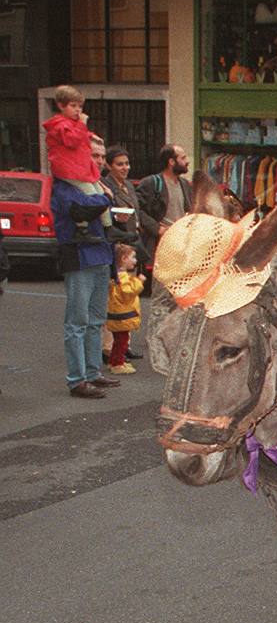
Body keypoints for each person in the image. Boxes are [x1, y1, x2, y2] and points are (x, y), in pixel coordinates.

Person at [46, 87, 117, 399]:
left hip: (99, 254)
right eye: (95, 156)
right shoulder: (64, 185)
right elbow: (80, 208)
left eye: (100, 157)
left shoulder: (91, 183)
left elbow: (96, 207)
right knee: (77, 320)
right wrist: (104, 199)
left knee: (95, 319)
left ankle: (92, 371)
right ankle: (77, 378)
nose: (98, 162)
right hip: (78, 256)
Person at [136, 143, 193, 250]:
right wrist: (158, 229)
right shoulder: (151, 183)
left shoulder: (185, 184)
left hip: (182, 241)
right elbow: (138, 209)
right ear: (171, 161)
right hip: (160, 242)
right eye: (183, 158)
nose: (187, 161)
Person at [106, 242, 145, 375]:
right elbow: (128, 293)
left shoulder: (117, 275)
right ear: (123, 259)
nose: (135, 261)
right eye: (132, 257)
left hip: (118, 313)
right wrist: (139, 281)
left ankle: (114, 360)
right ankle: (118, 363)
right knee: (121, 341)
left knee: (118, 340)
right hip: (122, 314)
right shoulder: (122, 277)